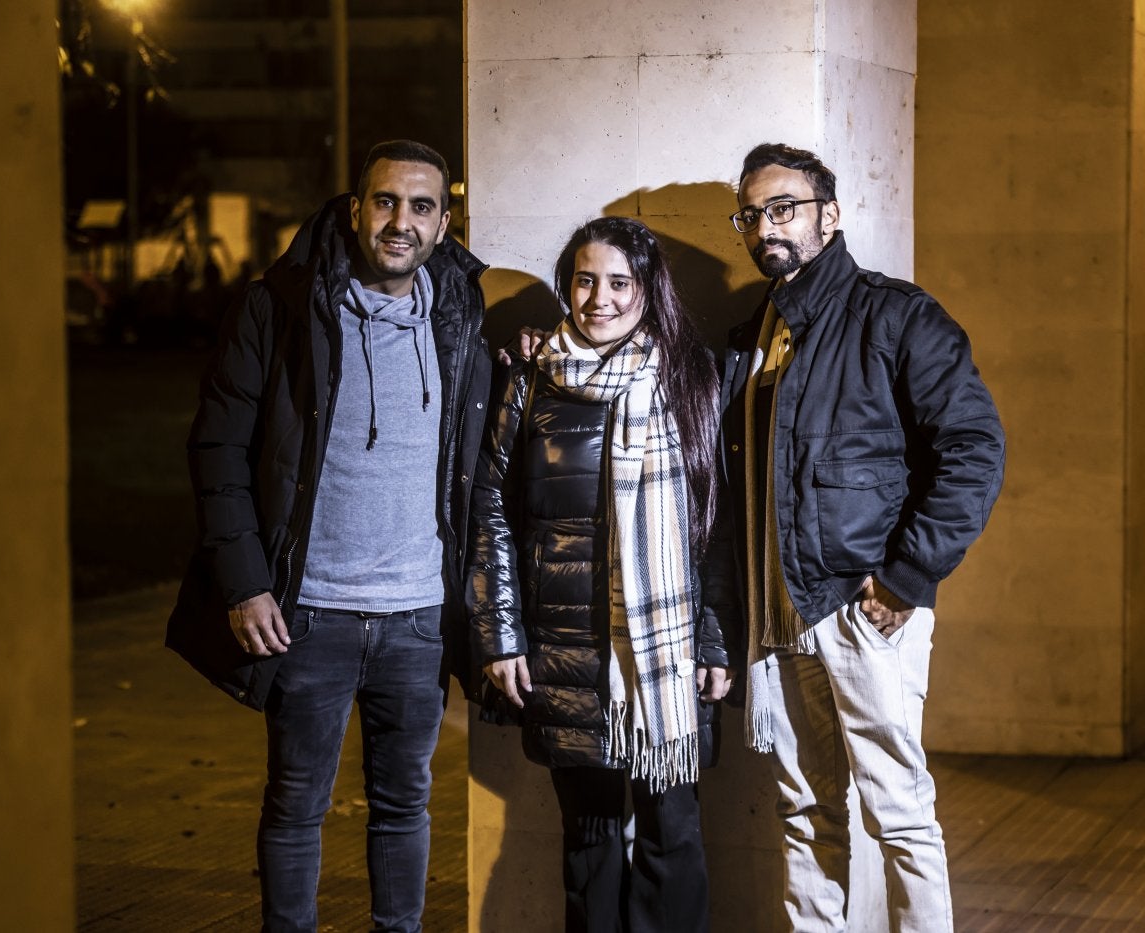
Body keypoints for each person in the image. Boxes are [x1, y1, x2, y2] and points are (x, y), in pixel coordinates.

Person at [166, 139, 491, 933]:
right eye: (385, 202)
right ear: (354, 209)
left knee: (404, 803)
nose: (399, 222)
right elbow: (219, 448)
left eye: (420, 207)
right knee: (295, 802)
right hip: (306, 611)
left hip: (419, 615)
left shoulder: (462, 317)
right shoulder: (279, 306)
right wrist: (245, 581)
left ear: (444, 223)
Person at [721, 143, 1006, 933]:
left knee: (899, 813)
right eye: (752, 213)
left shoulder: (896, 314)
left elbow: (975, 447)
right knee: (806, 811)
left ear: (830, 215)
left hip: (861, 609)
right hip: (780, 618)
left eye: (785, 208)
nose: (767, 226)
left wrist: (909, 575)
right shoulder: (757, 330)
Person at [466, 216, 740, 933]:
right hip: (562, 644)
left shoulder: (690, 379)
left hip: (664, 652)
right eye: (585, 280)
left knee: (672, 836)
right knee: (588, 841)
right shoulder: (530, 377)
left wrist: (714, 640)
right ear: (566, 284)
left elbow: (715, 523)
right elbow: (489, 505)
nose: (600, 298)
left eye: (620, 281)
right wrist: (499, 632)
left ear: (648, 289)